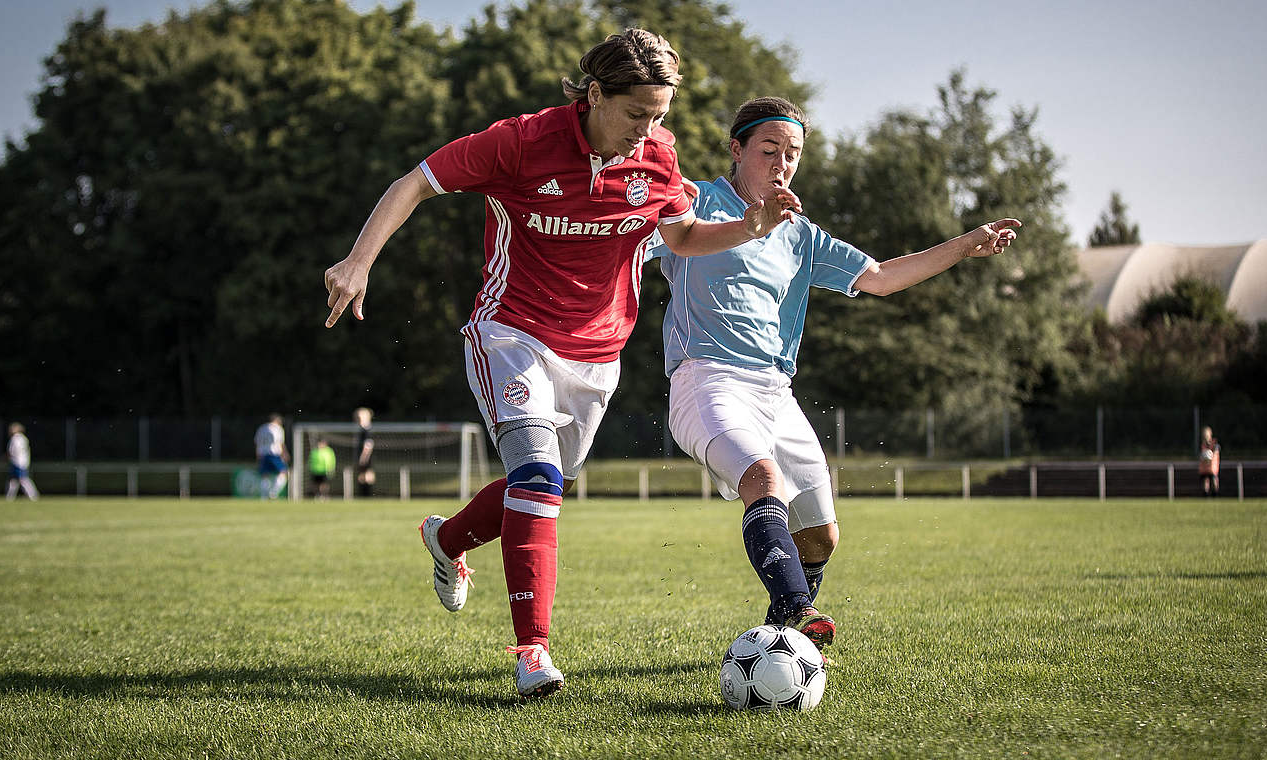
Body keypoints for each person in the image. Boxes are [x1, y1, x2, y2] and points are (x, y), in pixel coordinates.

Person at [323, 30, 799, 698]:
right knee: (540, 477)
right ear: (595, 93)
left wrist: (752, 226)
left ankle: (448, 540)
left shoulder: (658, 159)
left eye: (660, 115)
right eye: (637, 113)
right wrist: (358, 261)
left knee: (543, 489)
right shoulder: (520, 143)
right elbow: (416, 183)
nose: (649, 130)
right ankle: (532, 653)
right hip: (511, 334)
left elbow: (683, 236)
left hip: (598, 355)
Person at [649, 96, 1022, 652]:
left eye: (793, 154)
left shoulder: (801, 234)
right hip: (707, 381)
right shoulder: (694, 201)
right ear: (737, 149)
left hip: (776, 394)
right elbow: (624, 239)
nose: (782, 164)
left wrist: (966, 245)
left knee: (822, 536)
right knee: (762, 479)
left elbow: (881, 278)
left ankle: (779, 631)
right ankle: (799, 611)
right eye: (769, 149)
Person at [254, 414, 288, 500]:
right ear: (277, 421)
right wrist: (285, 454)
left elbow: (257, 442)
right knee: (284, 473)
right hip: (274, 454)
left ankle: (264, 496)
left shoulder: (261, 428)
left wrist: (257, 454)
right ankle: (273, 492)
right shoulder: (278, 428)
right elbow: (280, 443)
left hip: (263, 454)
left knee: (265, 475)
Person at [5, 422, 40, 501]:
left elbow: (12, 451)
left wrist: (6, 458)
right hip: (22, 462)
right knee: (13, 481)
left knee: (23, 480)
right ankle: (9, 497)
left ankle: (33, 495)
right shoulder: (23, 438)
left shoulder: (15, 438)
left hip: (17, 462)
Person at [353, 407, 376, 498]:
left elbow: (368, 445)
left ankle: (366, 496)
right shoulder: (363, 429)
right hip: (365, 456)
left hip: (365, 457)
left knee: (366, 475)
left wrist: (363, 458)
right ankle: (366, 496)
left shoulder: (366, 430)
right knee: (364, 475)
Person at [1199, 426, 1220, 497]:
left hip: (1212, 467)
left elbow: (1216, 451)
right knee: (1205, 481)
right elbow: (1201, 455)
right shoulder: (1202, 444)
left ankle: (1215, 495)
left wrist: (1211, 455)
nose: (1205, 435)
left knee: (1214, 481)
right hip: (1204, 468)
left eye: (1207, 434)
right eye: (1204, 434)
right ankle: (1205, 496)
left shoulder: (1214, 444)